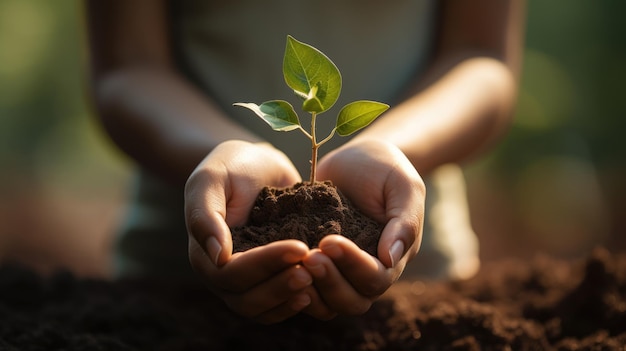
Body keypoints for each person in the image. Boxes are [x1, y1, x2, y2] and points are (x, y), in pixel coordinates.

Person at [84, 0, 525, 324]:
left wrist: (391, 147)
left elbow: (481, 56)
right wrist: (219, 154)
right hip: (176, 289)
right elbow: (128, 64)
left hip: (416, 292)